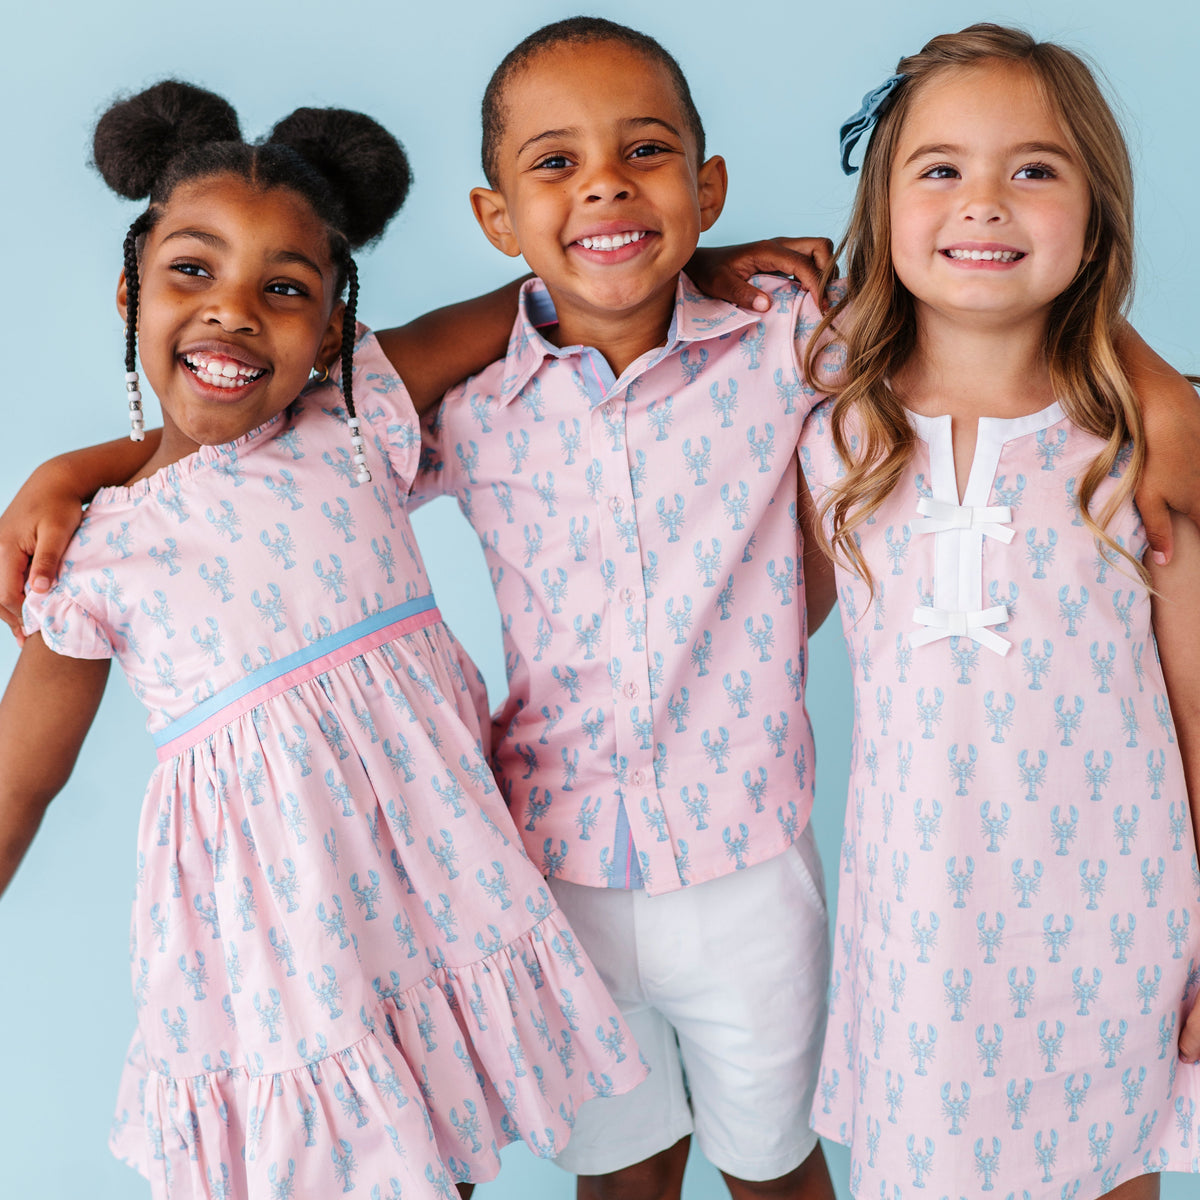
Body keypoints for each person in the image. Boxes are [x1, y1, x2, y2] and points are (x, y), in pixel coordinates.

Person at [0, 79, 652, 1200]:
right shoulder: (93, 549)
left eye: (285, 287)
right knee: (345, 1155)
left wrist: (716, 262)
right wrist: (78, 472)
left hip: (440, 885)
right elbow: (20, 781)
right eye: (190, 270)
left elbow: (553, 291)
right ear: (131, 292)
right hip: (279, 939)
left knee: (437, 1149)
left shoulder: (357, 415)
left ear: (336, 323)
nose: (233, 310)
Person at [798, 23, 1200, 1199]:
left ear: (1095, 218)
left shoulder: (1144, 438)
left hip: (1120, 928)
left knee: (1114, 1174)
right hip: (923, 932)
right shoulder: (828, 423)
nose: (985, 203)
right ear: (884, 209)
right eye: (941, 170)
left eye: (1034, 169)